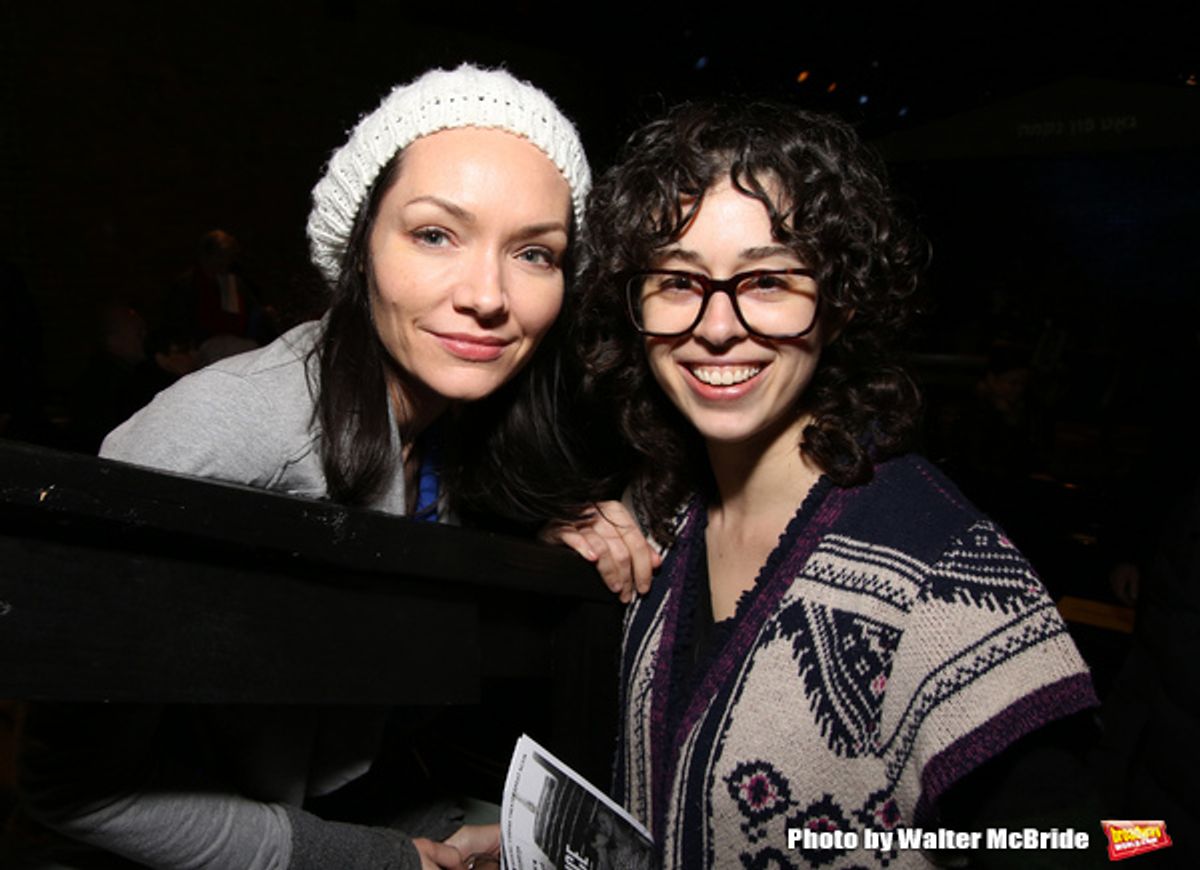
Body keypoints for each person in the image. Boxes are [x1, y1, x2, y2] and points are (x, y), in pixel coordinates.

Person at [18, 64, 592, 870]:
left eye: (535, 251)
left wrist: (570, 522)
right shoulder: (230, 432)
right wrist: (384, 860)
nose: (489, 295)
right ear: (360, 247)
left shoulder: (454, 424)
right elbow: (75, 789)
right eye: (435, 234)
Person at [572, 101, 1099, 868]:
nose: (718, 326)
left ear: (842, 301)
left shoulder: (941, 573)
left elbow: (1082, 841)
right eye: (678, 282)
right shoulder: (664, 516)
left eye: (768, 281)